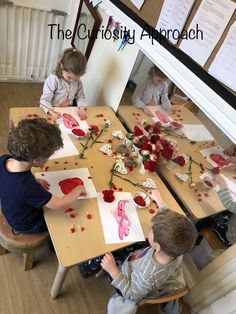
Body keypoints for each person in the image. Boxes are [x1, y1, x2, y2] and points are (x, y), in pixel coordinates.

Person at [101, 208, 197, 314]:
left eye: (152, 229)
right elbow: (173, 228)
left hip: (127, 281)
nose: (150, 228)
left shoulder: (147, 275)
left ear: (158, 247)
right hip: (136, 261)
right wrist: (160, 202)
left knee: (101, 257)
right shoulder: (178, 249)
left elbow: (132, 294)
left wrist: (113, 270)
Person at [0, 118, 86, 234]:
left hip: (10, 210)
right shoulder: (27, 188)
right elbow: (61, 204)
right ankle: (52, 244)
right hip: (26, 224)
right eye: (48, 156)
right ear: (35, 160)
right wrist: (79, 189)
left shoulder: (4, 159)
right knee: (60, 223)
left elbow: (13, 183)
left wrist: (33, 180)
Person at [40, 48, 87, 121]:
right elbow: (44, 100)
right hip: (52, 111)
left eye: (76, 78)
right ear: (62, 66)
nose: (72, 80)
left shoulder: (77, 82)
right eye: (69, 77)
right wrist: (51, 111)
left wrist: (81, 108)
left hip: (68, 111)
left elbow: (80, 97)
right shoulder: (53, 79)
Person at [196, 173, 236, 247]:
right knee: (221, 213)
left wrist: (222, 183)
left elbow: (229, 202)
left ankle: (194, 238)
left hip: (228, 237)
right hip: (232, 223)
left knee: (204, 220)